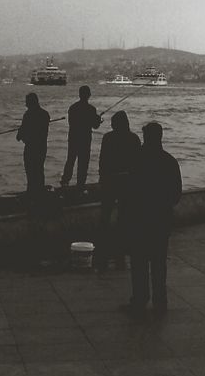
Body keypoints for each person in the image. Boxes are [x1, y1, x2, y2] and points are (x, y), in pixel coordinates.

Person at [120, 121, 183, 316]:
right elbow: (176, 194)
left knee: (139, 263)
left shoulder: (136, 160)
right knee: (158, 263)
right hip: (161, 220)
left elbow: (128, 191)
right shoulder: (169, 161)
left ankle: (139, 300)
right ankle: (160, 301)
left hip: (139, 219)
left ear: (146, 138)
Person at [94, 110, 142, 272]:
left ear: (115, 124)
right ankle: (121, 247)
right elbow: (137, 163)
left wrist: (102, 178)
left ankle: (102, 246)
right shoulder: (134, 139)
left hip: (110, 180)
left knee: (105, 214)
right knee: (124, 215)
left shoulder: (108, 138)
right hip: (127, 182)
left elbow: (103, 160)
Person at [60, 85, 102, 189]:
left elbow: (71, 123)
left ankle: (65, 182)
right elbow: (95, 126)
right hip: (85, 140)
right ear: (89, 95)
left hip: (73, 139)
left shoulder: (73, 108)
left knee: (70, 160)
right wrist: (98, 119)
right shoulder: (91, 109)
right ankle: (80, 184)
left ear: (79, 94)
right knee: (83, 163)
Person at [16, 92, 51, 197]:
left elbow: (20, 135)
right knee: (39, 171)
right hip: (42, 148)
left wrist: (20, 134)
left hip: (30, 148)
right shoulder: (45, 114)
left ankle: (31, 195)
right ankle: (39, 195)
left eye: (27, 102)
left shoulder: (28, 115)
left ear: (30, 103)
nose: (25, 105)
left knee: (30, 174)